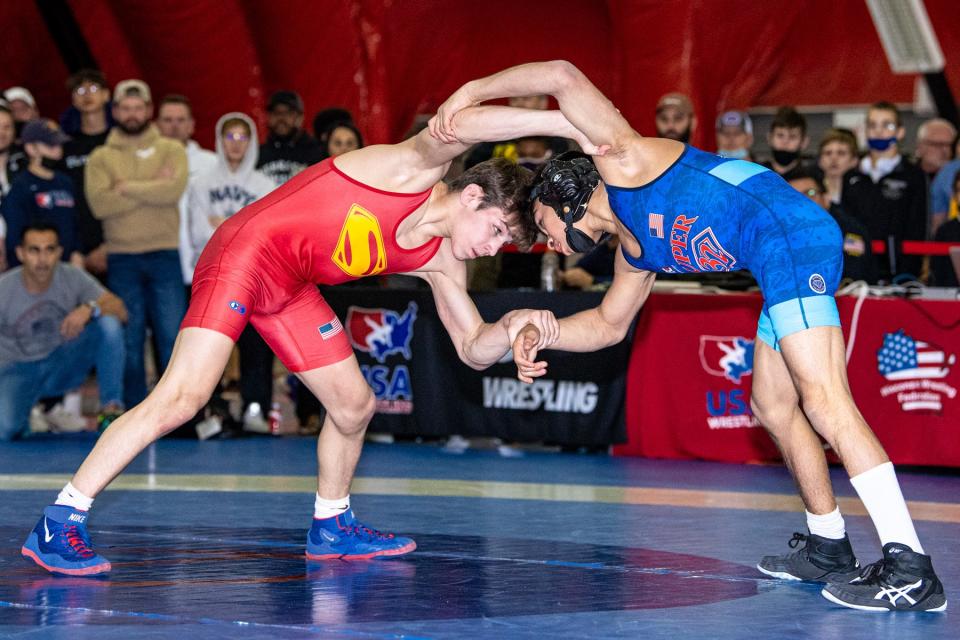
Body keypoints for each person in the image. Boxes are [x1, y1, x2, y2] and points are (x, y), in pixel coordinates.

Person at [433, 60, 947, 613]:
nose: (549, 244)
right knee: (772, 405)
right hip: (776, 252)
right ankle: (827, 544)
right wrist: (542, 327)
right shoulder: (634, 249)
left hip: (791, 237)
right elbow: (608, 326)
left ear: (567, 199)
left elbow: (561, 75)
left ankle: (911, 568)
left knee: (823, 399)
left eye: (546, 227)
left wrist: (470, 91)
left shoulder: (622, 161)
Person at [20, 100, 589, 576]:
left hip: (290, 284)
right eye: (494, 232)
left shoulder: (441, 259)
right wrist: (565, 122)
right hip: (244, 252)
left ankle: (332, 523)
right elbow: (460, 121)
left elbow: (471, 347)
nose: (491, 249)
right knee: (183, 397)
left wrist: (511, 327)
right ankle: (60, 520)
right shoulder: (408, 171)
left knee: (354, 403)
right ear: (471, 196)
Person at [85, 79, 188, 409]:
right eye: (125, 108)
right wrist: (152, 186)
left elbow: (172, 192)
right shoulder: (100, 157)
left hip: (165, 254)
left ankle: (176, 411)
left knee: (173, 337)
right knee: (128, 342)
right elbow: (100, 204)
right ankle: (132, 413)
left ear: (148, 110)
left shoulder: (172, 149)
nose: (132, 114)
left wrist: (125, 187)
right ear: (115, 111)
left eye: (138, 107)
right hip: (122, 257)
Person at [0, 223, 126, 441]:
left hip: (60, 364)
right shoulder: (5, 288)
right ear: (20, 253)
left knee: (109, 325)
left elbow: (120, 310)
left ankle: (111, 413)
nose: (42, 259)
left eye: (49, 250)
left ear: (59, 252)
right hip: (17, 371)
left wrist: (89, 309)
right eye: (34, 250)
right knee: (6, 429)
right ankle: (24, 413)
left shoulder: (72, 276)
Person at [841, 102, 927, 281]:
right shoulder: (852, 176)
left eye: (887, 125)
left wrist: (908, 274)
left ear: (900, 131)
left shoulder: (913, 175)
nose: (879, 131)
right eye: (872, 125)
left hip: (898, 273)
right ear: (865, 130)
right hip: (858, 273)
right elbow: (846, 225)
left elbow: (918, 226)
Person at [1, 120, 83, 269]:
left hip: (67, 267)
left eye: (60, 145)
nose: (58, 151)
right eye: (51, 146)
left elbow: (76, 224)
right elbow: (15, 238)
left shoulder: (66, 182)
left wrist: (77, 252)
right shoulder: (21, 187)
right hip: (36, 268)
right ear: (31, 148)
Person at [155, 94, 218, 287]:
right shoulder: (145, 162)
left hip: (205, 262)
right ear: (156, 124)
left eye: (181, 120)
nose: (174, 126)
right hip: (161, 261)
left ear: (191, 125)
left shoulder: (212, 163)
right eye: (168, 120)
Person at [59, 69, 113, 276]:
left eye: (93, 88)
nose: (87, 94)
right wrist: (76, 249)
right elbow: (66, 201)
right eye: (80, 89)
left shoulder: (119, 141)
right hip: (82, 251)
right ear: (73, 99)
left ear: (106, 95)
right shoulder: (66, 147)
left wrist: (110, 245)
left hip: (121, 244)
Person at [787, 169, 876, 284]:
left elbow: (852, 274)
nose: (803, 201)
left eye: (810, 193)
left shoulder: (850, 230)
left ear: (826, 197)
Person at [258, 90, 324, 187]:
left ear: (300, 117)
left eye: (288, 113)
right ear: (268, 117)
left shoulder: (316, 152)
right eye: (276, 113)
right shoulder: (257, 154)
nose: (281, 119)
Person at [761, 106, 809, 180]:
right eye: (780, 135)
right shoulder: (757, 174)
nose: (785, 142)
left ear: (804, 142)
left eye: (792, 137)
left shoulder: (811, 178)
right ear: (769, 138)